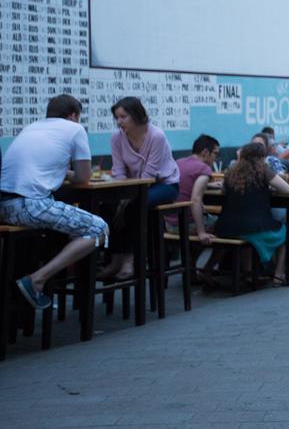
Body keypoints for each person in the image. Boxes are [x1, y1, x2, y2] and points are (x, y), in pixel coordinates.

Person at [0, 94, 109, 309]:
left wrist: (60, 171)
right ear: (73, 115)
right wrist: (68, 173)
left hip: (5, 206)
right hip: (31, 206)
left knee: (67, 228)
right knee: (98, 229)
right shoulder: (75, 129)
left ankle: (26, 295)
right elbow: (84, 176)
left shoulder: (31, 127)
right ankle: (37, 279)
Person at [102, 96, 180, 281]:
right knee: (108, 206)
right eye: (117, 117)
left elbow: (150, 174)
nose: (119, 122)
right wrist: (122, 194)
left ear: (137, 116)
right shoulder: (117, 137)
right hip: (130, 186)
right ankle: (115, 259)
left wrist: (127, 198)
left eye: (123, 117)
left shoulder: (156, 135)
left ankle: (132, 259)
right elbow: (119, 169)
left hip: (164, 184)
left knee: (134, 206)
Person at [215, 142, 289, 285]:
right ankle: (279, 274)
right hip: (254, 226)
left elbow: (223, 192)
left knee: (247, 233)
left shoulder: (231, 172)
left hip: (226, 227)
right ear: (262, 157)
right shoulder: (264, 170)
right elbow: (287, 189)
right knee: (286, 232)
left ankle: (248, 272)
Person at [173, 134, 220, 246]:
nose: (216, 158)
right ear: (205, 152)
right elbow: (196, 199)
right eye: (215, 154)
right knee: (229, 228)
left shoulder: (178, 162)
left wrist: (209, 185)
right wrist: (201, 233)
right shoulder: (204, 169)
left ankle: (193, 261)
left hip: (170, 223)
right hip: (187, 225)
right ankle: (210, 264)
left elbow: (186, 185)